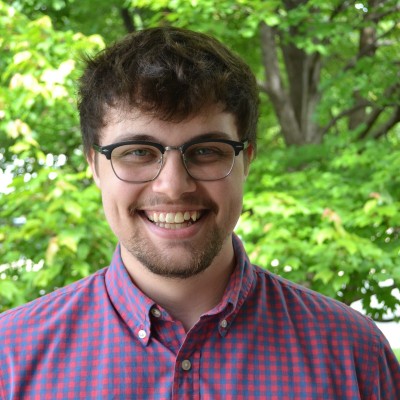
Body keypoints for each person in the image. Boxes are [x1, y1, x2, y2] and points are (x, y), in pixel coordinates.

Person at [0, 27, 399, 400]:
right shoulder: (11, 359)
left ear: (247, 162)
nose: (173, 186)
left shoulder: (354, 356)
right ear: (94, 166)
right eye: (138, 152)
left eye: (206, 150)